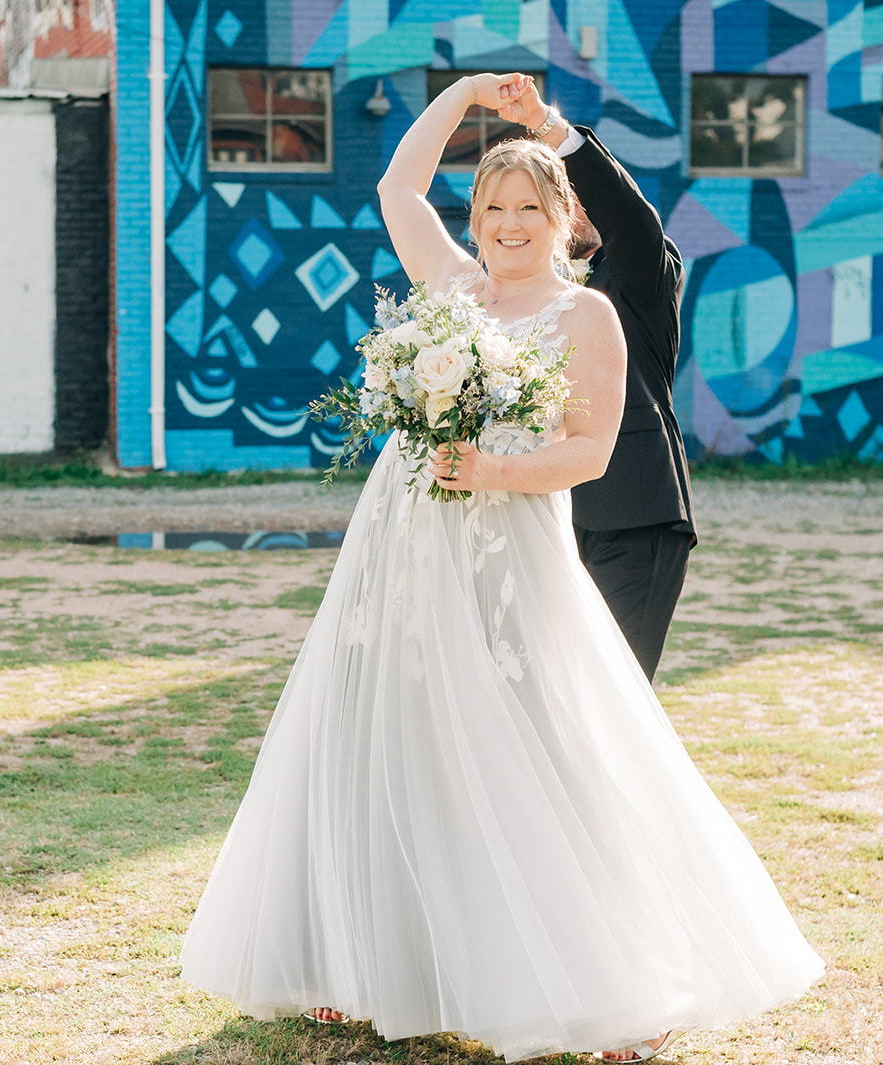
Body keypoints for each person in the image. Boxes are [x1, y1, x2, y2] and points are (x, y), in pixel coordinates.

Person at [178, 72, 822, 1064]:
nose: (509, 224)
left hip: (513, 550)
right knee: (383, 744)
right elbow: (397, 189)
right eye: (492, 208)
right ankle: (361, 964)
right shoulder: (450, 292)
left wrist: (490, 469)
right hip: (401, 555)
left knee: (550, 754)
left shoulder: (587, 317)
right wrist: (471, 94)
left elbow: (591, 454)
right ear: (473, 219)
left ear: (564, 219)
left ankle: (619, 983)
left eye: (529, 207)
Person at [496, 82, 696, 681]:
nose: (567, 201)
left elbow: (627, 213)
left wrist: (546, 127)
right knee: (537, 690)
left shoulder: (641, 273)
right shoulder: (528, 287)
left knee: (609, 696)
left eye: (571, 190)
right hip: (541, 513)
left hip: (632, 516)